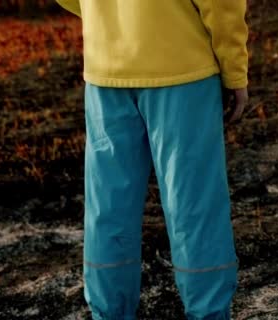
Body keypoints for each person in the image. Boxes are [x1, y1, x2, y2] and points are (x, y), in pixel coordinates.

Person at [56, 0, 248, 319]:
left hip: (106, 68)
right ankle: (208, 313)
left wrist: (110, 19)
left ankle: (108, 313)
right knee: (194, 206)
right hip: (183, 69)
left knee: (108, 208)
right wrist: (235, 69)